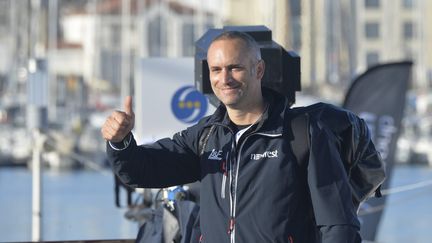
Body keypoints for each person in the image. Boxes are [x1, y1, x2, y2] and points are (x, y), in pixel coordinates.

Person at [101, 31, 384, 243]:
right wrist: (121, 142)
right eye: (216, 70)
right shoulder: (206, 136)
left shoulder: (304, 133)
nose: (225, 79)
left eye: (235, 67)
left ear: (258, 70)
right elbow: (141, 170)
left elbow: (338, 225)